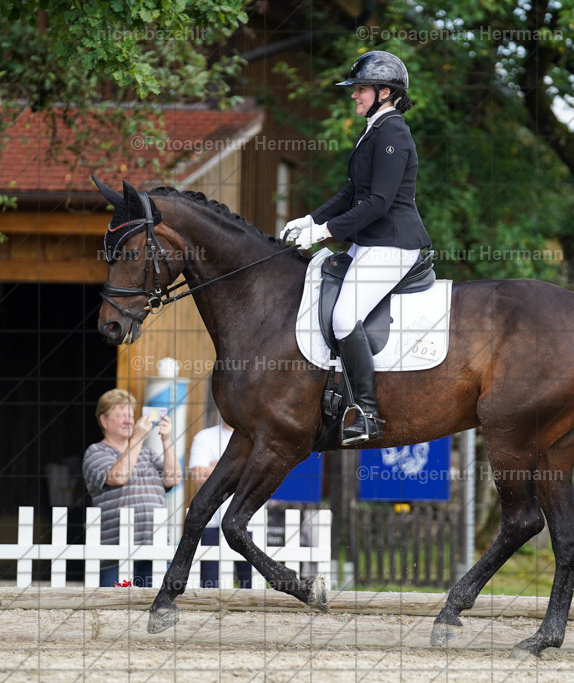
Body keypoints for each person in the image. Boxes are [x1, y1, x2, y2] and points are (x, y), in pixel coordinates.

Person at [283, 50, 432, 446]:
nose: (354, 96)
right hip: (368, 243)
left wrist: (326, 230)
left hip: (393, 244)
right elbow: (351, 191)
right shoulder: (374, 129)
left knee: (345, 318)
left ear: (386, 92)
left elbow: (378, 202)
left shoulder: (393, 133)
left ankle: (366, 412)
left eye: (361, 89)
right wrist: (311, 221)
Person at [82, 389, 182, 587]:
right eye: (121, 416)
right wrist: (137, 439)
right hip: (115, 552)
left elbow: (173, 479)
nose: (128, 421)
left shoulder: (148, 454)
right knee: (114, 611)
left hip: (156, 547)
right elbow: (118, 477)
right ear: (104, 421)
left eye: (130, 415)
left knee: (153, 608)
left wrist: (166, 440)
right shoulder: (96, 451)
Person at [188, 419, 252, 588]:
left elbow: (262, 473)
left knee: (252, 587)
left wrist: (217, 467)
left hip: (251, 523)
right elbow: (197, 475)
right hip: (212, 523)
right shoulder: (204, 436)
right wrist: (242, 468)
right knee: (210, 586)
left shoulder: (257, 436)